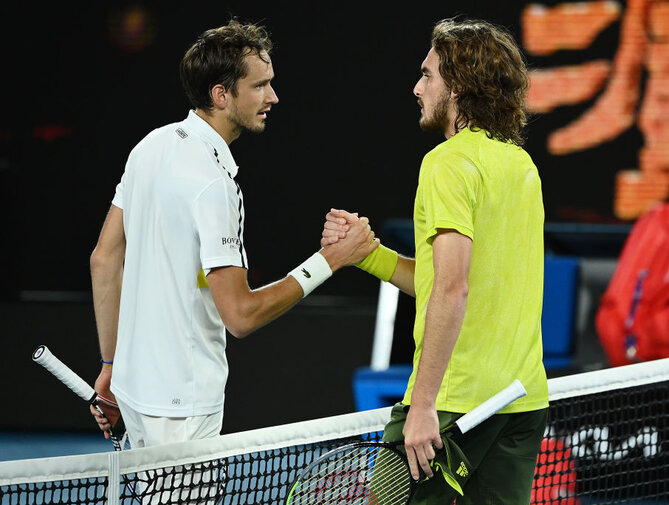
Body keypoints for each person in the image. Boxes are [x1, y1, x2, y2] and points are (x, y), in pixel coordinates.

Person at [89, 18, 377, 450]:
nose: (273, 97)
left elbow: (104, 259)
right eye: (260, 86)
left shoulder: (150, 146)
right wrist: (330, 261)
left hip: (133, 392)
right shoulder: (214, 185)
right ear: (221, 95)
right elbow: (240, 316)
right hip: (183, 407)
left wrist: (111, 364)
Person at [322, 17, 549, 505]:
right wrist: (371, 256)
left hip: (452, 407)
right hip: (520, 401)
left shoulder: (447, 163)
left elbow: (451, 289)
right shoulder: (521, 165)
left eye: (427, 76)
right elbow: (450, 280)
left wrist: (422, 404)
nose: (417, 87)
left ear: (459, 88)